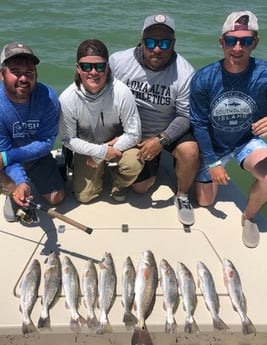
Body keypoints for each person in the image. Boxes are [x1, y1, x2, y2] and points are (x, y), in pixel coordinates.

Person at [109, 13, 199, 226]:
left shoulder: (185, 73)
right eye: (150, 42)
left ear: (173, 44)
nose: (157, 48)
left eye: (164, 42)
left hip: (168, 127)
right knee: (141, 189)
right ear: (141, 41)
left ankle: (182, 195)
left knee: (190, 152)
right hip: (133, 130)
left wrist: (162, 140)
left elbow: (185, 116)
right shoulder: (119, 61)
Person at [190, 11, 267, 248]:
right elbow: (199, 124)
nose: (237, 47)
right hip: (214, 143)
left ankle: (249, 216)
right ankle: (212, 170)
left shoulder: (264, 74)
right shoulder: (204, 78)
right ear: (221, 42)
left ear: (255, 42)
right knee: (204, 203)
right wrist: (213, 163)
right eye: (231, 40)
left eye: (245, 41)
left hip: (247, 141)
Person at [59, 39, 143, 203]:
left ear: (107, 67)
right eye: (86, 66)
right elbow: (68, 139)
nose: (93, 72)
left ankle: (119, 183)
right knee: (85, 197)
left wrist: (102, 154)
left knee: (134, 162)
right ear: (78, 68)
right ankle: (98, 173)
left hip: (118, 146)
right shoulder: (67, 99)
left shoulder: (121, 92)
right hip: (88, 148)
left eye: (99, 66)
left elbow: (134, 134)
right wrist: (100, 152)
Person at [0, 42, 66, 222]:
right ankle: (10, 191)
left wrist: (7, 157)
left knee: (57, 198)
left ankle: (49, 171)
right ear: (2, 75)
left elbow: (46, 143)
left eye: (29, 72)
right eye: (15, 71)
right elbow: (4, 152)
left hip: (33, 156)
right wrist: (19, 183)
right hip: (4, 162)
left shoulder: (48, 98)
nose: (23, 78)